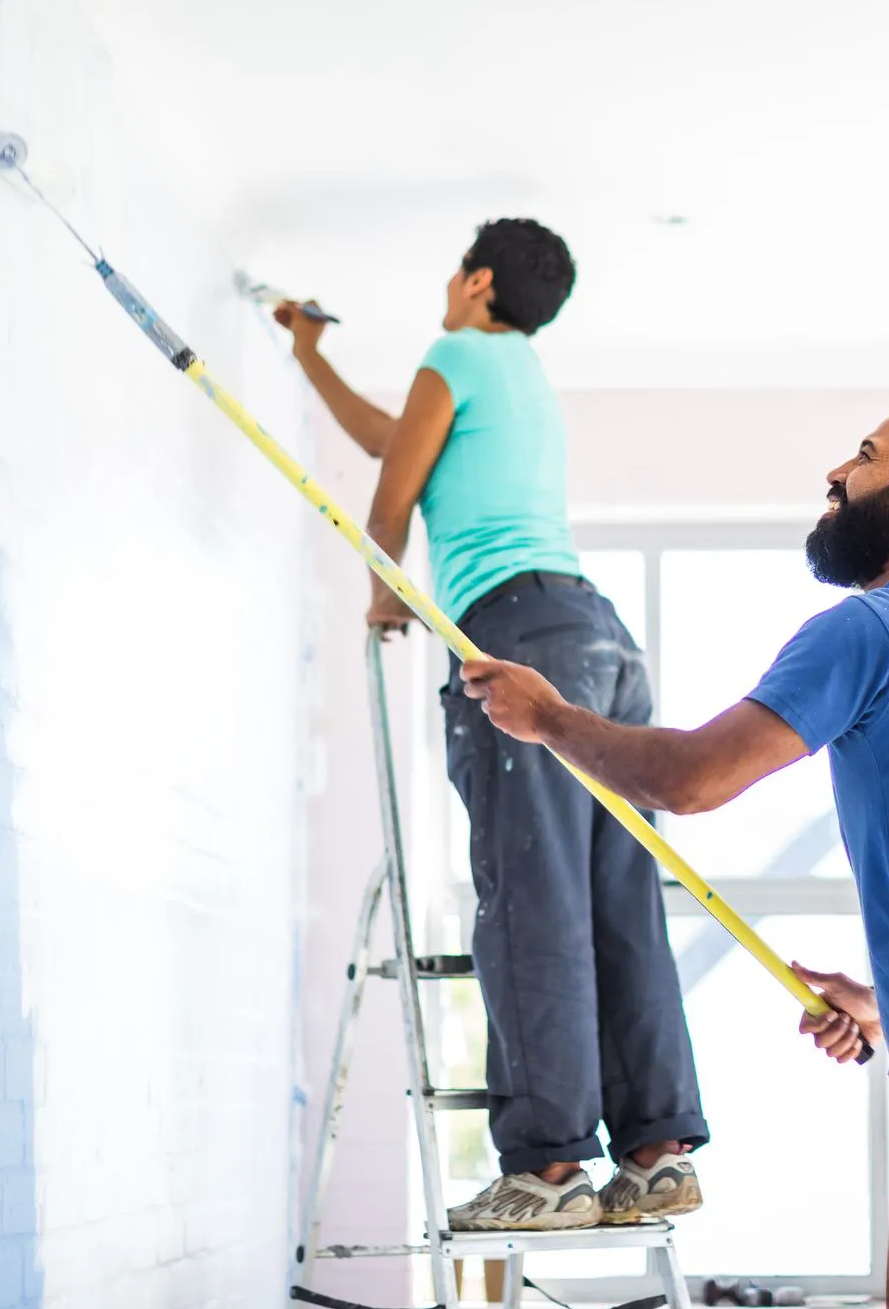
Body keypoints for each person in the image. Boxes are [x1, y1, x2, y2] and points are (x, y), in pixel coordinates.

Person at [458, 390, 889, 1309]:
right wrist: (886, 1006)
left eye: (865, 457)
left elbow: (693, 780)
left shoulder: (876, 627)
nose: (835, 473)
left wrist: (549, 718)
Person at [276, 219, 707, 1232]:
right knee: (616, 890)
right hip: (597, 637)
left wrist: (383, 591)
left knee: (532, 896)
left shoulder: (454, 350)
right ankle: (652, 1151)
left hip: (517, 632)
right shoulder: (513, 374)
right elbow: (398, 442)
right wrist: (310, 355)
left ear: (475, 281)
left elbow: (392, 496)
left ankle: (550, 1167)